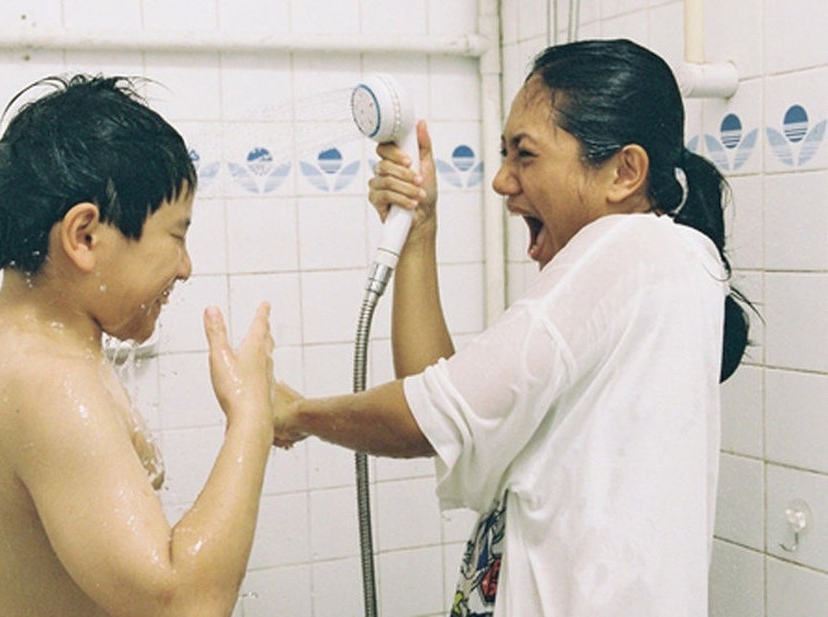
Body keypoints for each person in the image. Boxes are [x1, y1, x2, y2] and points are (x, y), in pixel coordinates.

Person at [273, 39, 751, 617]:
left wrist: (297, 414)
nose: (502, 180)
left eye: (524, 155)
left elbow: (425, 420)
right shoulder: (673, 259)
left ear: (625, 172)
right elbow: (447, 404)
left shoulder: (628, 247)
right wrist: (419, 232)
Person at [0, 75, 277, 617]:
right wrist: (252, 416)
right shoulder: (52, 384)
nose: (185, 267)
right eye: (176, 235)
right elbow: (184, 605)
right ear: (84, 237)